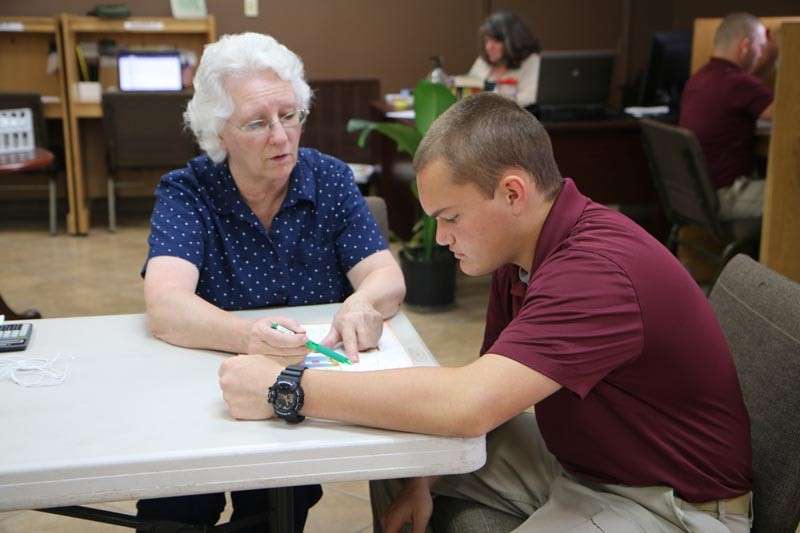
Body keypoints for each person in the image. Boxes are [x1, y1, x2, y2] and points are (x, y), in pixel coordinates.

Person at [219, 92, 752, 532]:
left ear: (513, 193)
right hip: (592, 459)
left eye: (450, 217)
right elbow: (481, 396)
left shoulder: (596, 272)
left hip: (668, 501)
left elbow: (468, 403)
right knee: (398, 455)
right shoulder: (519, 252)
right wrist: (424, 479)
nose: (440, 237)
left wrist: (286, 388)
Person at [140, 32, 405, 531]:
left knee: (276, 508)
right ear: (219, 132)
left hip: (291, 396)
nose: (281, 137)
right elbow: (166, 305)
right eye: (257, 123)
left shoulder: (329, 180)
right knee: (176, 506)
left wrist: (361, 303)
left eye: (289, 115)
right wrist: (248, 337)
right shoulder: (187, 191)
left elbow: (385, 275)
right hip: (197, 391)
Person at [679, 12, 777, 220]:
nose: (761, 55)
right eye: (761, 47)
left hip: (697, 197)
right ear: (745, 46)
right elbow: (790, 114)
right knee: (790, 192)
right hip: (727, 196)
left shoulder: (699, 78)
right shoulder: (739, 83)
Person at [466, 10, 541, 108]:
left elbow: (529, 99)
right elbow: (468, 94)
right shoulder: (482, 62)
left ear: (514, 41)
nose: (489, 47)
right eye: (487, 41)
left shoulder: (532, 61)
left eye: (496, 41)